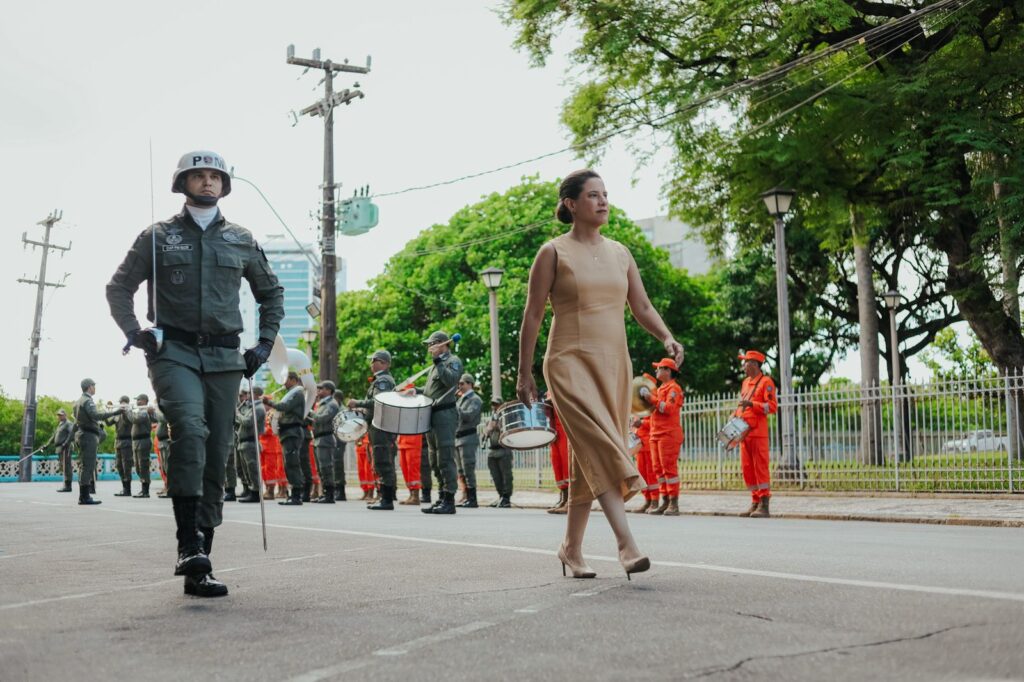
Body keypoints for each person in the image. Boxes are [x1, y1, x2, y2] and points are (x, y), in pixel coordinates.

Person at [106, 149, 285, 598]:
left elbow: (271, 292)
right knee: (188, 430)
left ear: (224, 186)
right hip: (174, 353)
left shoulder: (242, 239)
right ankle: (187, 545)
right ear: (182, 183)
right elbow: (118, 287)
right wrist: (136, 332)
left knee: (217, 450)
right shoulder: (157, 236)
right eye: (198, 176)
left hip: (227, 360)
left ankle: (201, 560)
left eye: (215, 176)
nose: (207, 182)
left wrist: (264, 344)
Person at [516, 169, 684, 580]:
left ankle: (570, 548)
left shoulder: (621, 253)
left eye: (605, 194)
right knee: (605, 446)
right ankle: (626, 543)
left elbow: (641, 307)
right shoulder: (552, 252)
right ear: (571, 204)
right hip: (568, 361)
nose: (603, 201)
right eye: (593, 195)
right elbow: (533, 314)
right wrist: (523, 373)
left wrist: (666, 336)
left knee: (587, 456)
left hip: (614, 363)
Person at [412, 330, 463, 515]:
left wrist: (438, 361)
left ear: (441, 344)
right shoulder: (436, 365)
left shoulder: (452, 361)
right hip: (431, 415)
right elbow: (431, 390)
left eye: (431, 344)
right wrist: (416, 391)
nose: (428, 347)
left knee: (445, 457)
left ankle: (449, 499)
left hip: (444, 415)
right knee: (434, 459)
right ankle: (442, 495)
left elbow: (450, 381)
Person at [349, 349, 398, 510]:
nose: (371, 364)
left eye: (374, 360)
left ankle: (387, 499)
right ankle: (383, 496)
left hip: (382, 427)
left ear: (383, 363)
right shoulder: (379, 380)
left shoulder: (383, 381)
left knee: (383, 462)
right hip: (377, 425)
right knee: (379, 462)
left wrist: (359, 403)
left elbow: (379, 400)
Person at [736, 350, 778, 518]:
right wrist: (735, 415)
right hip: (744, 432)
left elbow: (772, 407)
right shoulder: (745, 382)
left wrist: (753, 404)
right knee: (747, 469)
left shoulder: (766, 382)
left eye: (745, 362)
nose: (743, 365)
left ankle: (764, 504)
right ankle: (755, 502)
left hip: (758, 433)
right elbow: (742, 405)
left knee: (760, 468)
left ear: (753, 364)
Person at [642, 359, 684, 516]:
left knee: (668, 469)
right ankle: (665, 501)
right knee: (658, 469)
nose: (656, 371)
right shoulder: (661, 389)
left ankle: (673, 503)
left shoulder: (674, 389)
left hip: (668, 434)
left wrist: (651, 399)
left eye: (659, 368)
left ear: (668, 371)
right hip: (656, 433)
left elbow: (669, 409)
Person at [73, 379, 122, 505]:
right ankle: (84, 497)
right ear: (90, 387)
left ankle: (84, 495)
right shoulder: (87, 401)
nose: (95, 388)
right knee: (88, 466)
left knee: (84, 466)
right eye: (94, 386)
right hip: (88, 436)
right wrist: (115, 412)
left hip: (83, 434)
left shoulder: (77, 402)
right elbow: (96, 415)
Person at [264, 371, 308, 506]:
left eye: (286, 379)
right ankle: (293, 494)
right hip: (287, 432)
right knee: (288, 464)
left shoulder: (297, 393)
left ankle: (296, 495)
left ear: (294, 380)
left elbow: (285, 406)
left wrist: (269, 402)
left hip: (292, 432)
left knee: (293, 463)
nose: (283, 382)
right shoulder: (292, 393)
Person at [454, 373, 483, 508]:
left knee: (468, 469)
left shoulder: (475, 399)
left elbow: (469, 416)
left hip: (468, 437)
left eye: (462, 383)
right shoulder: (461, 399)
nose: (459, 386)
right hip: (458, 438)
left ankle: (473, 498)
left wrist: (456, 407)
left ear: (470, 384)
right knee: (460, 470)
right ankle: (465, 495)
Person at [311, 380, 340, 503]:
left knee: (326, 467)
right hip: (319, 438)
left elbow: (323, 419)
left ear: (329, 390)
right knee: (321, 468)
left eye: (321, 389)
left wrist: (310, 412)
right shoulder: (321, 404)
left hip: (326, 438)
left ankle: (329, 494)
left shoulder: (332, 404)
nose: (318, 391)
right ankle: (325, 493)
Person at [236, 384, 264, 503]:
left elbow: (248, 422)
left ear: (256, 394)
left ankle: (256, 493)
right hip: (243, 442)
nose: (247, 396)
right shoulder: (249, 407)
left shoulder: (258, 408)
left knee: (253, 469)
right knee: (246, 469)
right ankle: (250, 491)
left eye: (249, 393)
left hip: (251, 441)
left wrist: (237, 414)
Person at [484, 397, 514, 508]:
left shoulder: (507, 417)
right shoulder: (491, 419)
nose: (494, 407)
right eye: (493, 405)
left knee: (506, 476)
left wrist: (496, 425)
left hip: (503, 449)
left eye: (496, 405)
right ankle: (500, 496)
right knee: (496, 476)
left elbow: (509, 429)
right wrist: (487, 429)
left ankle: (506, 498)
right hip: (492, 450)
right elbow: (485, 434)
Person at [628, 415, 658, 513]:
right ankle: (647, 500)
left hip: (649, 445)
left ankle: (654, 501)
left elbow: (656, 423)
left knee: (651, 475)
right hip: (640, 445)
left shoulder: (651, 407)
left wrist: (642, 423)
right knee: (642, 474)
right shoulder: (638, 410)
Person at [546, 391, 570, 514]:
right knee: (557, 465)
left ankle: (571, 502)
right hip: (555, 429)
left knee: (567, 466)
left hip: (566, 427)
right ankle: (563, 498)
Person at [129, 394, 156, 498]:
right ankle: (143, 489)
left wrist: (128, 410)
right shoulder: (141, 411)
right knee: (137, 466)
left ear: (144, 401)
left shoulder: (144, 412)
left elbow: (134, 419)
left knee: (143, 466)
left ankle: (145, 491)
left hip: (143, 441)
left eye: (139, 400)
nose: (137, 402)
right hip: (136, 442)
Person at [44, 408, 76, 493]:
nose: (59, 416)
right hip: (59, 448)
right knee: (63, 466)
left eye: (61, 415)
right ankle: (66, 485)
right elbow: (54, 436)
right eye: (58, 415)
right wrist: (47, 445)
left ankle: (68, 486)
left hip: (66, 448)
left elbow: (72, 434)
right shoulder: (60, 424)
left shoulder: (68, 423)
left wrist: (66, 443)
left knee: (66, 466)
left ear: (65, 415)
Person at [110, 396, 135, 497]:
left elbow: (127, 422)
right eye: (120, 402)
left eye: (122, 402)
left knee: (126, 466)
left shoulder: (130, 413)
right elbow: (108, 423)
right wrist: (110, 411)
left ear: (126, 403)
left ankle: (127, 489)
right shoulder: (117, 414)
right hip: (118, 442)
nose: (120, 404)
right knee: (119, 466)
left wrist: (125, 412)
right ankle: (124, 487)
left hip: (127, 441)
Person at [260, 408, 286, 500]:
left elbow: (272, 429)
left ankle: (275, 490)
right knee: (264, 470)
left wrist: (260, 430)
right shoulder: (266, 413)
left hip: (271, 446)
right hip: (264, 445)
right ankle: (269, 489)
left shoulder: (273, 413)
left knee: (274, 469)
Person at [396, 434, 423, 505]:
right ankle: (411, 495)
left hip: (413, 442)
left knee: (412, 469)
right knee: (405, 470)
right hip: (402, 442)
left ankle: (415, 496)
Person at [332, 389, 348, 500]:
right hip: (334, 439)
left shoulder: (342, 411)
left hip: (339, 440)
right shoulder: (336, 408)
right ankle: (337, 489)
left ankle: (340, 490)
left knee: (338, 464)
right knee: (334, 464)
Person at [154, 404, 171, 497]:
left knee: (168, 467)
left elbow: (164, 418)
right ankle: (167, 487)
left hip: (166, 442)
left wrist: (156, 409)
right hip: (161, 442)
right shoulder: (161, 412)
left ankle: (170, 489)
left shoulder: (167, 411)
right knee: (164, 467)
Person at [355, 434, 375, 500]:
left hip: (368, 444)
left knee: (368, 471)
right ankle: (365, 491)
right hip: (360, 445)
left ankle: (370, 492)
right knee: (361, 471)